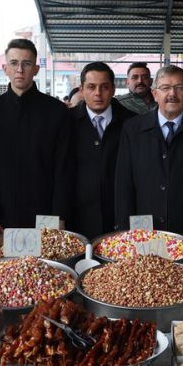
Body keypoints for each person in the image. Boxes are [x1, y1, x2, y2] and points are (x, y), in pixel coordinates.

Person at [0, 38, 73, 234]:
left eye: (26, 63)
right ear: (5, 68)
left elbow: (64, 169)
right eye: (14, 63)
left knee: (43, 265)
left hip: (45, 214)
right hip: (3, 216)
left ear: (36, 69)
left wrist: (59, 216)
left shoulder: (56, 111)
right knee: (5, 265)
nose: (20, 69)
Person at [114, 65, 183, 237]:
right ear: (155, 94)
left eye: (179, 88)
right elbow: (124, 183)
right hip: (143, 230)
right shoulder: (133, 129)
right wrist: (125, 230)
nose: (172, 94)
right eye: (165, 88)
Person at [68, 61, 133, 238]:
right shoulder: (66, 123)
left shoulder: (132, 123)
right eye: (91, 87)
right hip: (77, 217)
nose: (98, 93)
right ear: (81, 90)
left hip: (119, 218)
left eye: (104, 87)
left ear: (113, 89)